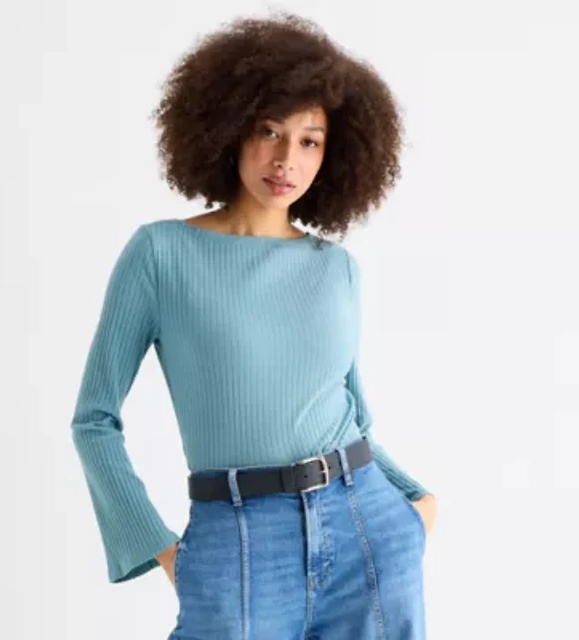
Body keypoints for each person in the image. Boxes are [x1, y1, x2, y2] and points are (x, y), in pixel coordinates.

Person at [70, 11, 437, 640]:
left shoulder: (337, 269)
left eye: (309, 141)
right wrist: (162, 551)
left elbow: (352, 416)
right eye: (269, 131)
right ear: (230, 128)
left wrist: (415, 506)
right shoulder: (160, 254)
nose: (286, 159)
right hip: (237, 541)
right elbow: (93, 420)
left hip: (366, 529)